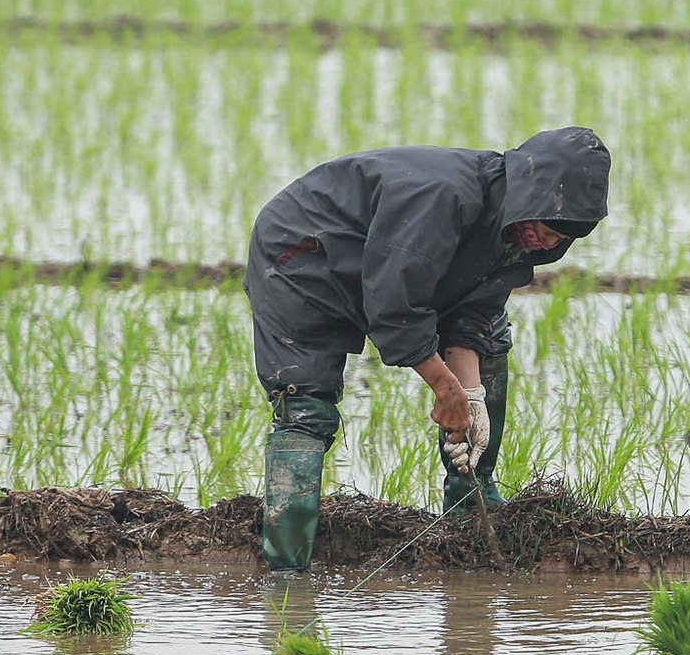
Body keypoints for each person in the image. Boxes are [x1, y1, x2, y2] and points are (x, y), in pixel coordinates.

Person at [244, 127, 611, 572]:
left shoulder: (515, 232)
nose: (548, 243)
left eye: (561, 238)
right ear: (526, 195)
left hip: (385, 267)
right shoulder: (443, 196)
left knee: (489, 337)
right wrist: (444, 387)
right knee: (305, 404)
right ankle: (287, 570)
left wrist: (470, 397)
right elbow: (395, 306)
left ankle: (469, 501)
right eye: (547, 229)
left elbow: (471, 317)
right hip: (302, 257)